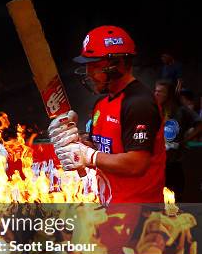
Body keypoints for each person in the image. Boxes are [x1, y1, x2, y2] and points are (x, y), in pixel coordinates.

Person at [48, 26, 166, 204]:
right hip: (110, 207)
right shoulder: (101, 105)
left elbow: (137, 164)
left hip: (140, 214)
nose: (88, 72)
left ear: (117, 64)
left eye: (95, 65)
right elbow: (104, 151)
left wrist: (89, 156)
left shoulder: (139, 103)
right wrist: (76, 142)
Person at [154, 79, 201, 200]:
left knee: (174, 196)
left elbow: (200, 125)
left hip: (173, 162)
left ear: (169, 94)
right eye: (155, 91)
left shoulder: (181, 111)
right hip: (156, 162)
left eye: (161, 91)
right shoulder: (154, 109)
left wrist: (185, 140)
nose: (156, 94)